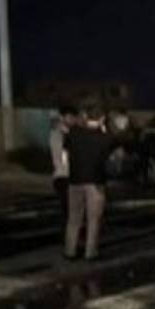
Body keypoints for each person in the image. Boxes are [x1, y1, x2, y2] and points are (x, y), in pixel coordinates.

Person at [63, 105, 114, 260]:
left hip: (75, 180)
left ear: (86, 116)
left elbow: (65, 154)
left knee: (74, 218)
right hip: (95, 182)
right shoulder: (105, 138)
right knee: (94, 219)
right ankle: (90, 251)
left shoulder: (73, 133)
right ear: (102, 118)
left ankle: (70, 250)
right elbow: (108, 158)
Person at [49, 107, 75, 216]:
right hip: (64, 175)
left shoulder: (60, 132)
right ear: (62, 118)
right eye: (70, 117)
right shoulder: (60, 133)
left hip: (64, 175)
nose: (73, 120)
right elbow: (64, 154)